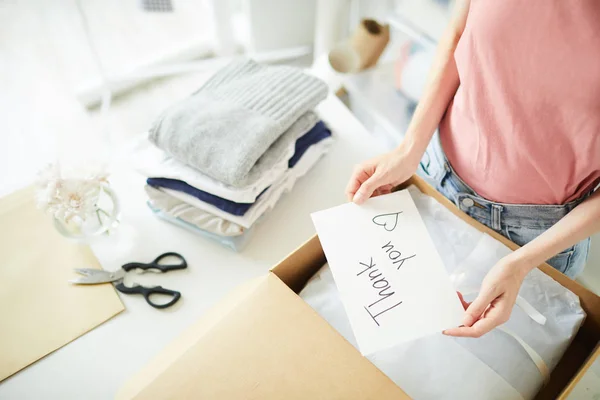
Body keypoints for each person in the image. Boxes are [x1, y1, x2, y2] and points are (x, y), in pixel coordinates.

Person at [346, 0, 600, 338]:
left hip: (535, 241)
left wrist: (520, 263)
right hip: (435, 176)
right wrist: (409, 149)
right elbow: (457, 34)